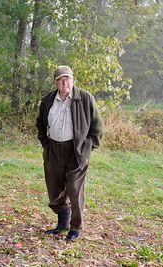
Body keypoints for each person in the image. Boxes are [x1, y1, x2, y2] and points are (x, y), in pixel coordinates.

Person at [36, 65, 103, 241]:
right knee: (55, 188)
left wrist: (87, 148)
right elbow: (41, 125)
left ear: (73, 80)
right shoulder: (47, 100)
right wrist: (46, 144)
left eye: (69, 78)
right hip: (53, 150)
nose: (66, 82)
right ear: (56, 82)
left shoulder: (85, 98)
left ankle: (76, 227)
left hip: (76, 151)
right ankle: (62, 223)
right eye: (61, 79)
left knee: (74, 189)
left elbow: (97, 128)